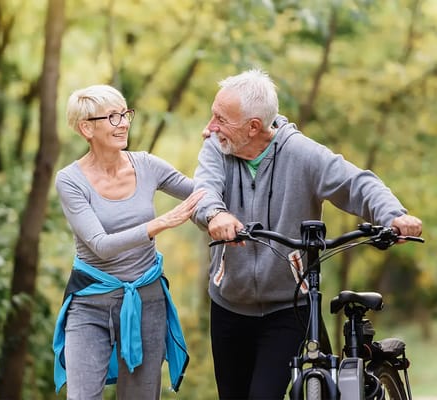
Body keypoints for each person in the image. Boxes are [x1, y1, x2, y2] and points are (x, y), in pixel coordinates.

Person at [192, 68, 423, 399]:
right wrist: (216, 215)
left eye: (219, 118)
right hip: (229, 304)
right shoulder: (217, 148)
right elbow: (204, 192)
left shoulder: (301, 154)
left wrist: (394, 216)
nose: (209, 127)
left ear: (252, 127)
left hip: (287, 307)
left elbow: (357, 183)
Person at [52, 84, 205, 400]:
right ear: (86, 128)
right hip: (90, 304)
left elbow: (200, 192)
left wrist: (221, 152)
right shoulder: (70, 180)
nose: (123, 123)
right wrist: (162, 222)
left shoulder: (146, 165)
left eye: (125, 114)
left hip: (146, 302)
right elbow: (100, 244)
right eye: (112, 116)